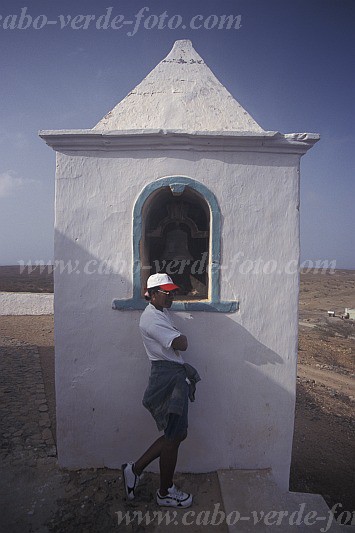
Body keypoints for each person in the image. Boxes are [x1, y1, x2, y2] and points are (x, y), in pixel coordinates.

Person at [122, 273, 200, 508]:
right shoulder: (152, 319)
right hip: (168, 379)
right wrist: (182, 337)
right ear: (152, 294)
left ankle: (134, 471)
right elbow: (181, 343)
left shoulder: (160, 313)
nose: (171, 296)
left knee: (176, 435)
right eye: (166, 292)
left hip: (173, 376)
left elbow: (176, 344)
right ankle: (164, 491)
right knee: (173, 436)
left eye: (173, 292)